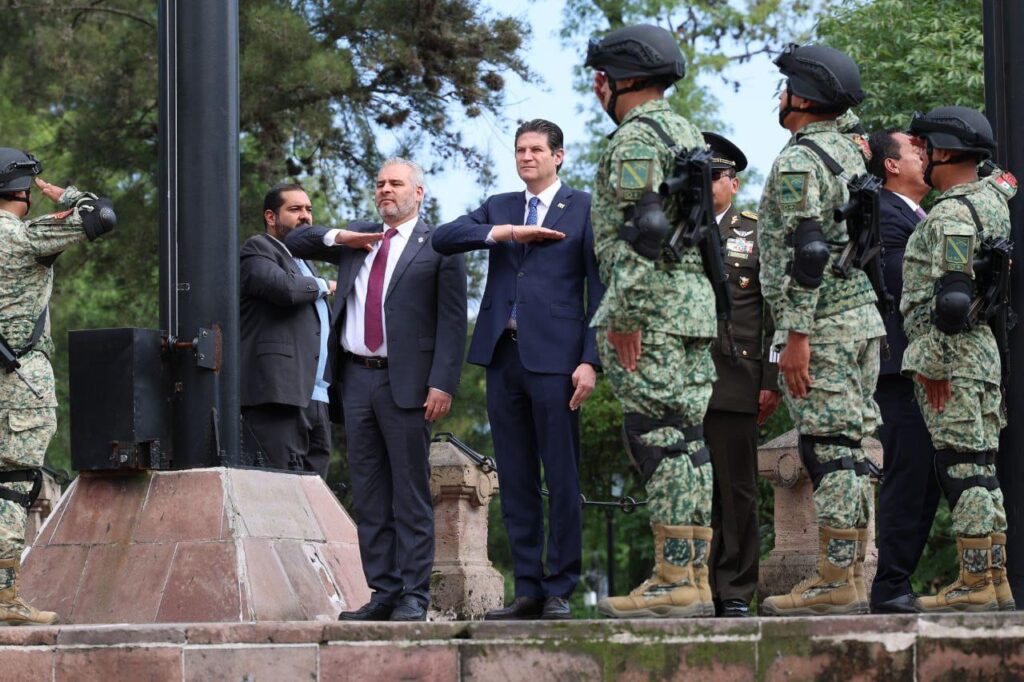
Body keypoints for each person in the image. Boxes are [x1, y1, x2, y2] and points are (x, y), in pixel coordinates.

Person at [433, 119, 604, 621]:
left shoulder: (584, 207)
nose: (526, 157)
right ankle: (528, 587)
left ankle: (559, 588)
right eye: (520, 150)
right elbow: (445, 237)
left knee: (562, 476)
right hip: (503, 357)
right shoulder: (501, 206)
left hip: (558, 361)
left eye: (536, 150)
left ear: (558, 156)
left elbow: (600, 289)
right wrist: (506, 232)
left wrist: (590, 360)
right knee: (515, 476)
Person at [285, 158, 467, 622]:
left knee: (409, 492)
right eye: (380, 183)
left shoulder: (439, 245)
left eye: (396, 183)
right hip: (356, 380)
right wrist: (342, 237)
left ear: (418, 192)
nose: (386, 190)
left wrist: (442, 382)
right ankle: (383, 591)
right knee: (368, 493)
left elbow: (452, 323)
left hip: (407, 383)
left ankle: (414, 595)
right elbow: (296, 239)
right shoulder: (359, 238)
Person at [584, 24, 718, 619]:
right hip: (692, 308)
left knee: (657, 437)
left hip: (652, 309)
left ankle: (672, 580)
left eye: (601, 76)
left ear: (621, 79)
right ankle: (693, 577)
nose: (596, 86)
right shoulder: (686, 131)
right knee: (688, 442)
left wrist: (625, 312)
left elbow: (646, 229)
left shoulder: (635, 139)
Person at [757, 44, 884, 617]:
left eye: (787, 88)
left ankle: (834, 578)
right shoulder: (850, 150)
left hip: (824, 326)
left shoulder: (802, 160)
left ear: (804, 99)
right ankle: (849, 575)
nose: (781, 97)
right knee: (849, 450)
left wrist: (796, 336)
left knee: (828, 451)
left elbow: (808, 252)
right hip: (859, 320)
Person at [902, 107, 1014, 613]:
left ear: (946, 151)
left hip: (954, 357)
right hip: (979, 356)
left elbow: (951, 301)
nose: (923, 157)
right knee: (982, 468)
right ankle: (993, 578)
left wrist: (934, 362)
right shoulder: (990, 200)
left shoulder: (952, 214)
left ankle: (973, 584)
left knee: (961, 467)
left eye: (926, 147)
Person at [0, 148, 115, 625]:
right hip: (19, 381)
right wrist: (65, 194)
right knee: (11, 485)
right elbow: (101, 215)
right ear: (23, 191)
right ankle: (4, 597)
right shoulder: (27, 236)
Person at [701, 132, 780, 618]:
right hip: (679, 381)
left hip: (735, 376)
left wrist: (770, 378)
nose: (708, 185)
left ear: (733, 183)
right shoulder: (674, 232)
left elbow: (774, 309)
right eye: (700, 177)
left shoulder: (754, 232)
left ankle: (733, 589)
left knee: (736, 490)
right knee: (687, 490)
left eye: (715, 176)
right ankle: (691, 584)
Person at [865, 129, 940, 614]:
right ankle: (890, 584)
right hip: (903, 368)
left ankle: (900, 581)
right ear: (891, 165)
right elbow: (902, 280)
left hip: (926, 363)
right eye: (917, 151)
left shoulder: (917, 214)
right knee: (909, 474)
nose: (927, 157)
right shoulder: (884, 211)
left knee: (928, 478)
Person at [240, 184, 334, 477]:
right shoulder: (258, 249)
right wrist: (326, 285)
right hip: (279, 395)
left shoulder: (305, 263)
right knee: (278, 488)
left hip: (317, 397)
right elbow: (285, 289)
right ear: (271, 216)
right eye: (295, 209)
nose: (305, 216)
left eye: (308, 209)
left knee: (316, 491)